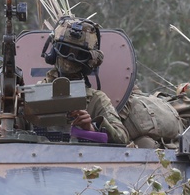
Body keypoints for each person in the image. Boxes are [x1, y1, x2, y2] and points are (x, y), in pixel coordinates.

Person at [40, 16, 129, 144]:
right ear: (54, 53)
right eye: (65, 50)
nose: (70, 58)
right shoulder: (34, 93)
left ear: (89, 62)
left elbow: (122, 137)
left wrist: (91, 127)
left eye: (78, 54)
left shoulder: (96, 100)